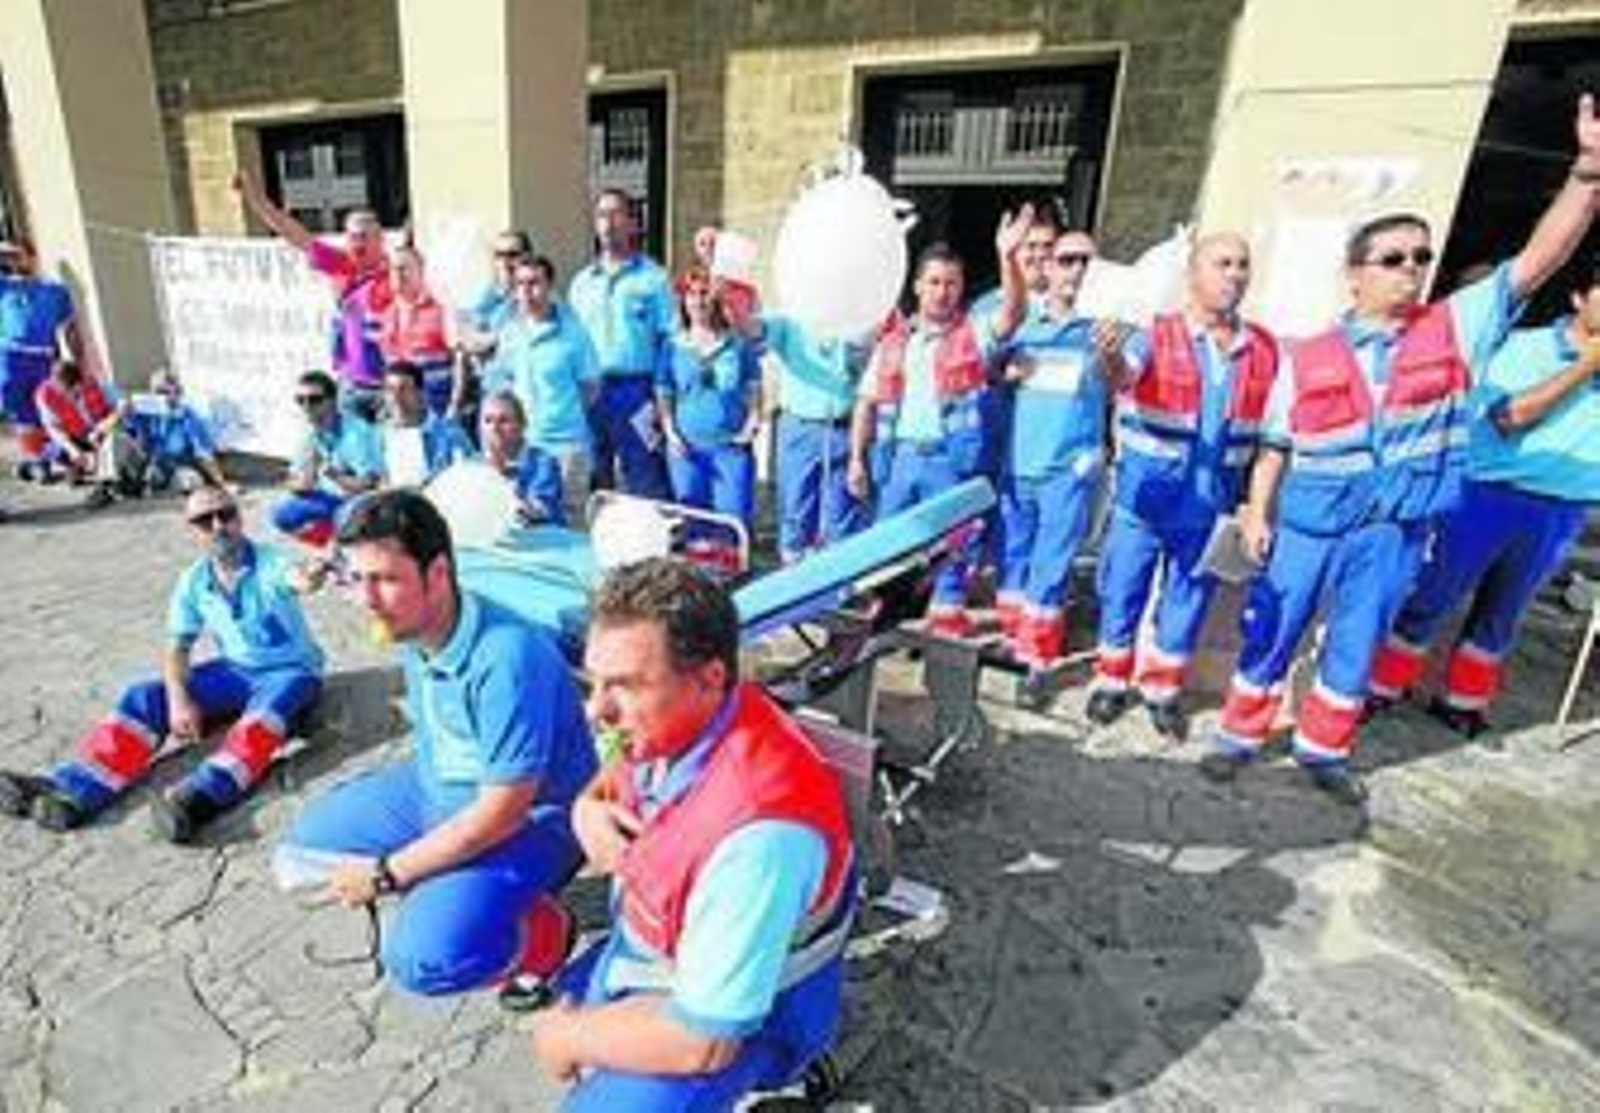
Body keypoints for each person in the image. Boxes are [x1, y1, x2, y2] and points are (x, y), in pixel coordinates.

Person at [1200, 94, 1600, 804]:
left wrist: (1588, 174)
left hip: (1392, 528)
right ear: (1354, 274)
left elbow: (1536, 264)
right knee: (1273, 628)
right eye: (1393, 258)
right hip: (1310, 522)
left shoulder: (1450, 329)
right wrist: (1258, 511)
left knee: (1357, 644)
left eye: (1421, 256)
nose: (1411, 268)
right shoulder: (1307, 352)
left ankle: (1324, 748)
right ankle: (1238, 734)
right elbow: (1274, 444)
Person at [529, 558, 854, 1110]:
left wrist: (565, 1037)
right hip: (663, 955)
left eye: (625, 686)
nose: (595, 710)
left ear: (709, 678)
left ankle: (774, 1081)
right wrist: (588, 807)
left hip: (736, 1020)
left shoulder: (758, 838)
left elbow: (703, 1042)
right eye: (593, 683)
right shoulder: (684, 720)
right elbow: (617, 770)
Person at [276, 490, 597, 995]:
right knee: (300, 854)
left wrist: (389, 873)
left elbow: (503, 813)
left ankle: (543, 937)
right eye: (358, 579)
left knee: (422, 960)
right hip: (440, 786)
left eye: (384, 580)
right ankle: (459, 889)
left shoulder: (506, 660)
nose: (366, 600)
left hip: (532, 815)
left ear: (440, 574)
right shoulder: (413, 621)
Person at [0, 486, 324, 841]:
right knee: (144, 696)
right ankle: (72, 790)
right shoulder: (194, 581)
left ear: (239, 518)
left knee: (262, 720)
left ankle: (199, 798)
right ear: (193, 530)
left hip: (291, 671)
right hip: (235, 670)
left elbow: (297, 577)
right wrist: (178, 700)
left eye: (225, 514)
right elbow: (176, 648)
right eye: (204, 520)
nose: (218, 525)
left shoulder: (270, 562)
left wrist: (310, 575)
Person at [1369, 265, 1600, 735]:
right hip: (1487, 496)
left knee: (1505, 611)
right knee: (1432, 597)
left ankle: (1461, 702)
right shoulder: (1526, 347)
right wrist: (1587, 365)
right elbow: (1509, 416)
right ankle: (1381, 687)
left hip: (1562, 509)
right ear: (1579, 299)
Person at [1088, 233, 1280, 740]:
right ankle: (1110, 681)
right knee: (1123, 590)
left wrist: (1256, 506)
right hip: (1145, 498)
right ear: (1193, 274)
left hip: (1210, 503)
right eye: (1223, 264)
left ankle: (1162, 690)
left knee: (1189, 598)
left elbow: (1270, 433)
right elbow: (1122, 376)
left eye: (1243, 264)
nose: (1235, 274)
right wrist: (1106, 358)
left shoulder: (1261, 347)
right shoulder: (1154, 333)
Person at [848, 235, 1024, 638]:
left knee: (951, 553)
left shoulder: (973, 335)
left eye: (951, 284)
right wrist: (857, 458)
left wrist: (1007, 257)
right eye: (935, 282)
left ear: (961, 289)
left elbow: (1012, 314)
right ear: (917, 286)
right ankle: (888, 629)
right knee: (888, 552)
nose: (942, 292)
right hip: (899, 461)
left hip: (950, 461)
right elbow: (866, 402)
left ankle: (941, 637)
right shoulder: (894, 342)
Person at [985, 217, 1130, 688]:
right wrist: (1002, 369)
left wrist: (1109, 354)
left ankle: (1037, 658)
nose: (1078, 269)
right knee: (1013, 559)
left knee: (1051, 567)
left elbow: (1121, 380)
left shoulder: (1107, 330)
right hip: (1018, 464)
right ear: (1048, 265)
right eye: (1068, 259)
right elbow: (984, 368)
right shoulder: (1023, 325)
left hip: (1068, 471)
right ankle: (1010, 640)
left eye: (1088, 260)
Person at [234, 170, 392, 421]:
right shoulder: (342, 264)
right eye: (352, 237)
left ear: (380, 239)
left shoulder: (399, 272)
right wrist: (256, 199)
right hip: (351, 385)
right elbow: (292, 233)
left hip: (388, 386)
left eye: (364, 237)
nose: (357, 243)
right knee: (354, 455)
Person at [567, 189, 675, 499]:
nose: (608, 223)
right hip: (590, 391)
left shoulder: (654, 279)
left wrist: (661, 396)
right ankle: (598, 538)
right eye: (601, 215)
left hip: (636, 391)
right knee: (594, 474)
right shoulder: (581, 283)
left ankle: (654, 541)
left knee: (645, 473)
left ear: (633, 223)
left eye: (616, 214)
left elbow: (668, 341)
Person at [657, 265, 763, 565]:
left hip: (729, 447)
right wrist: (670, 432)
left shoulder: (738, 345)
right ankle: (701, 580)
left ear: (714, 299)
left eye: (704, 293)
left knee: (733, 519)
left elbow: (754, 387)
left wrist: (752, 422)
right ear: (683, 301)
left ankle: (733, 581)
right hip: (687, 448)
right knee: (694, 520)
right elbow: (664, 392)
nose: (698, 300)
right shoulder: (672, 346)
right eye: (692, 294)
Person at [756, 309, 870, 564]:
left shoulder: (862, 313)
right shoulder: (789, 318)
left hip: (846, 427)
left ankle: (839, 587)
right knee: (796, 512)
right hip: (800, 428)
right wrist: (736, 308)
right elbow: (758, 332)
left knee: (842, 516)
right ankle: (794, 582)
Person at [493, 254, 600, 517]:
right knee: (524, 520)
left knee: (569, 524)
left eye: (534, 283)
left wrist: (560, 418)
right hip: (525, 446)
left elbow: (590, 388)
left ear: (550, 288)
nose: (527, 292)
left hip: (566, 449)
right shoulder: (510, 333)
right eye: (520, 284)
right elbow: (504, 384)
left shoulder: (574, 334)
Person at [1, 238, 84, 481]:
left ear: (33, 256)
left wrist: (76, 362)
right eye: (9, 256)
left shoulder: (55, 290)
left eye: (19, 255)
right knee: (22, 416)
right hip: (11, 359)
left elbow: (69, 330)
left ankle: (51, 459)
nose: (13, 260)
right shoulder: (3, 286)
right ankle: (45, 463)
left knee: (47, 413)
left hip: (44, 357)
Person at [271, 370, 383, 548]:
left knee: (348, 516)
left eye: (314, 400)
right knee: (281, 515)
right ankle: (330, 544)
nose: (306, 406)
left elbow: (369, 486)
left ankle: (342, 545)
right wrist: (300, 484)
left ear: (332, 401)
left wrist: (332, 473)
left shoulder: (356, 433)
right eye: (301, 400)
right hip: (330, 499)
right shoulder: (310, 432)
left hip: (363, 500)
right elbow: (294, 479)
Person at [34, 357, 144, 506]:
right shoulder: (45, 395)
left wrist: (105, 425)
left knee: (114, 443)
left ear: (80, 381)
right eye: (65, 391)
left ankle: (107, 484)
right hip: (75, 438)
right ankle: (34, 468)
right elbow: (53, 429)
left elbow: (124, 402)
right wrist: (73, 450)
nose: (70, 395)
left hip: (102, 433)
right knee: (54, 451)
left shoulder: (93, 383)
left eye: (74, 389)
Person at [379, 245, 462, 418]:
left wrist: (454, 406)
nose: (398, 275)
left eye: (404, 268)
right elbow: (389, 370)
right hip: (402, 416)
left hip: (437, 411)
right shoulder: (387, 315)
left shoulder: (441, 309)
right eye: (393, 269)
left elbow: (460, 363)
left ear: (421, 271)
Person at [378, 360, 473, 489]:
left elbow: (467, 478)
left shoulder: (450, 434)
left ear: (420, 393)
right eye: (390, 390)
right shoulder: (382, 436)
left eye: (403, 389)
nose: (396, 397)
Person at [131, 368, 229, 491]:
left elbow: (203, 451)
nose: (163, 397)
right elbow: (132, 436)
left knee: (189, 481)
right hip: (151, 466)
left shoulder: (186, 415)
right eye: (158, 392)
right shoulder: (146, 413)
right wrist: (124, 411)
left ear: (177, 393)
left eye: (167, 392)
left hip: (178, 469)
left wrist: (222, 483)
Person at [479, 389, 567, 527]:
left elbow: (537, 512)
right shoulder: (475, 464)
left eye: (503, 420)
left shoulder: (543, 463)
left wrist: (498, 477)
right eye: (488, 421)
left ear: (522, 425)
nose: (494, 428)